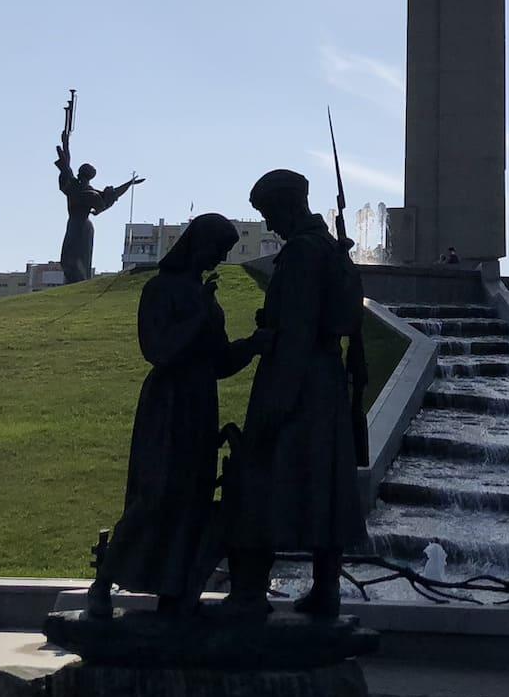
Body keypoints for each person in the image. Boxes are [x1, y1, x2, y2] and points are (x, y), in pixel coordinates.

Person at [87, 213, 266, 618]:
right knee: (154, 496)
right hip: (167, 407)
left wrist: (252, 345)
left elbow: (218, 361)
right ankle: (103, 584)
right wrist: (200, 314)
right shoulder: (160, 289)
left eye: (224, 253)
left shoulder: (204, 295)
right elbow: (158, 350)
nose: (218, 259)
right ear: (195, 244)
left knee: (192, 499)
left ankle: (175, 589)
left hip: (199, 405)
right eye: (215, 250)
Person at [223, 169, 368, 618]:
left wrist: (277, 402)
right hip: (321, 380)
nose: (270, 225)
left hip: (298, 378)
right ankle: (326, 588)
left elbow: (301, 327)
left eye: (269, 213)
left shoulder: (304, 253)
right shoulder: (326, 247)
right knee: (325, 482)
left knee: (263, 475)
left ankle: (250, 593)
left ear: (289, 205)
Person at [56, 144, 142, 283]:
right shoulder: (77, 187)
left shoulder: (82, 190)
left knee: (79, 258)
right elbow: (67, 167)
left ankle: (78, 282)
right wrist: (66, 145)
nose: (78, 175)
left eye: (80, 173)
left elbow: (110, 196)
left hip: (81, 226)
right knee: (69, 257)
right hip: (77, 225)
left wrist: (129, 184)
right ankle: (73, 281)